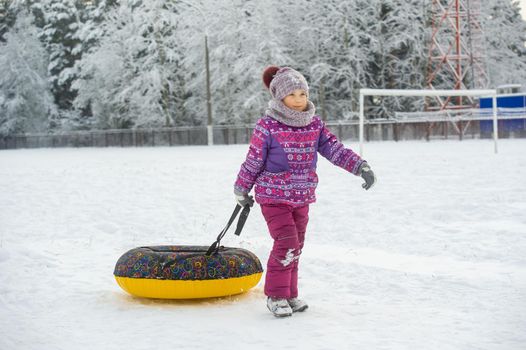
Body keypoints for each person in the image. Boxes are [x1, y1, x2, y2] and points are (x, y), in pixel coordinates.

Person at [233, 66, 376, 317]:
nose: (299, 100)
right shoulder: (268, 126)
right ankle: (276, 295)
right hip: (273, 198)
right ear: (280, 98)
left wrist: (359, 166)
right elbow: (254, 160)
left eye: (302, 93)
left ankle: (290, 294)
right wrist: (241, 189)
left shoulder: (314, 125)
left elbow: (334, 149)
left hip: (301, 197)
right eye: (292, 95)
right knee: (286, 242)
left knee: (297, 245)